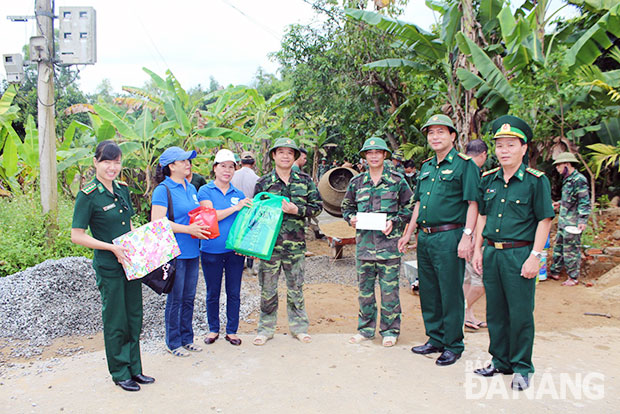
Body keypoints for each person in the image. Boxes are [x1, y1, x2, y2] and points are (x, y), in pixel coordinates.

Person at [471, 115, 554, 391]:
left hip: (519, 255)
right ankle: (500, 361)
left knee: (519, 313)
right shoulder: (489, 180)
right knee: (495, 312)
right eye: (499, 145)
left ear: (523, 147)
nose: (504, 150)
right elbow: (483, 216)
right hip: (493, 254)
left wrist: (536, 256)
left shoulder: (535, 181)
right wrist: (478, 249)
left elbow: (544, 220)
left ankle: (522, 367)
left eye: (510, 145)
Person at [71, 140, 155, 392]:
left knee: (134, 316)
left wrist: (142, 244)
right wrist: (112, 248)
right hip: (109, 265)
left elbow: (127, 224)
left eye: (117, 162)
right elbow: (77, 235)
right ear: (95, 162)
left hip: (130, 263)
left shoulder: (122, 189)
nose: (112, 167)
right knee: (116, 319)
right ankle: (119, 372)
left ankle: (135, 368)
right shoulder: (88, 195)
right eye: (107, 161)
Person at [398, 114, 480, 367]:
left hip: (450, 236)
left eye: (440, 132)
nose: (435, 137)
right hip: (426, 237)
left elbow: (473, 203)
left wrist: (467, 236)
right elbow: (419, 202)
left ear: (453, 136)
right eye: (431, 133)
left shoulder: (465, 166)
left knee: (450, 291)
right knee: (430, 291)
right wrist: (409, 232)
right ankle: (435, 338)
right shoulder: (426, 167)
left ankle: (453, 344)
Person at [342, 137, 414, 347]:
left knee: (389, 291)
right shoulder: (356, 183)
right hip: (364, 248)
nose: (373, 156)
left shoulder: (397, 180)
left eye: (378, 152)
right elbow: (346, 208)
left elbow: (409, 208)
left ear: (384, 155)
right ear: (365, 157)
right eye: (369, 152)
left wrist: (395, 221)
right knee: (365, 292)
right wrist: (351, 219)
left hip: (389, 248)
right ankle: (365, 329)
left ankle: (390, 330)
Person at [252, 138, 323, 346]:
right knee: (268, 290)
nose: (285, 156)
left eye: (289, 153)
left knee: (296, 289)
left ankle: (299, 328)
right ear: (273, 155)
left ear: (295, 157)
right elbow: (255, 215)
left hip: (296, 246)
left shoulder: (305, 180)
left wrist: (297, 210)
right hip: (269, 247)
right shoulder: (263, 183)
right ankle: (265, 329)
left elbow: (317, 206)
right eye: (280, 152)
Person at [151, 146, 210, 358]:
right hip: (175, 252)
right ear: (171, 166)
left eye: (189, 160)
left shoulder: (190, 187)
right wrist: (188, 229)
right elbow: (157, 222)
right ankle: (173, 342)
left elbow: (194, 216)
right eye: (183, 160)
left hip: (194, 250)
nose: (188, 164)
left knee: (189, 297)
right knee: (175, 299)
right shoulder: (163, 190)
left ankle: (187, 339)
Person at [198, 149, 252, 346]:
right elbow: (209, 216)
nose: (227, 170)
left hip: (234, 252)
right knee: (212, 292)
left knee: (234, 291)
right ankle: (213, 329)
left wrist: (245, 246)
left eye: (231, 167)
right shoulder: (205, 191)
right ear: (215, 168)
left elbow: (244, 223)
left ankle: (232, 330)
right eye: (223, 166)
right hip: (210, 249)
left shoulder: (239, 194)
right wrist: (235, 208)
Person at [549, 152, 591, 286]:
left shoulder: (579, 179)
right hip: (564, 221)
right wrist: (559, 204)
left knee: (571, 250)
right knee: (559, 247)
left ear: (567, 164)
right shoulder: (568, 179)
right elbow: (571, 198)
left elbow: (584, 201)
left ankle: (573, 277)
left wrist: (583, 220)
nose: (557, 168)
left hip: (573, 223)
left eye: (559, 165)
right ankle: (555, 272)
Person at [462, 139, 489, 331]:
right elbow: (478, 209)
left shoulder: (461, 168)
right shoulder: (476, 174)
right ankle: (464, 310)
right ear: (484, 155)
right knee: (480, 280)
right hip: (472, 235)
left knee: (468, 278)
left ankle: (468, 314)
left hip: (463, 233)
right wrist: (473, 237)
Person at [231, 150, 260, 274]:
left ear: (240, 162)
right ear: (253, 163)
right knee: (249, 238)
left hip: (234, 210)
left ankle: (236, 264)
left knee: (235, 236)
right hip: (250, 210)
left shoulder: (233, 175)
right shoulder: (257, 179)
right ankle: (250, 267)